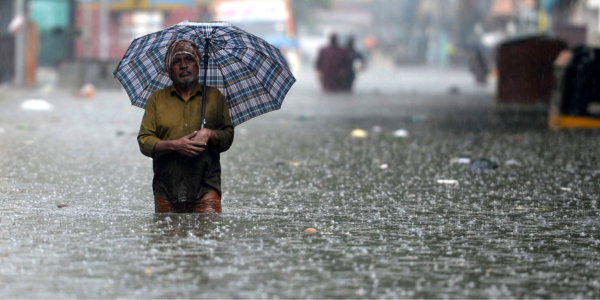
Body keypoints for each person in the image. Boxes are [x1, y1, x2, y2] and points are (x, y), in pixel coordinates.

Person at [137, 39, 234, 213]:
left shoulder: (214, 97)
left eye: (189, 59)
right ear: (169, 69)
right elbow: (144, 141)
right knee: (167, 237)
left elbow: (228, 136)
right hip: (166, 188)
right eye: (176, 61)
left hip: (206, 186)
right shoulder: (156, 100)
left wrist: (210, 133)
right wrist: (175, 145)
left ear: (198, 65)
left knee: (208, 236)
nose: (183, 66)